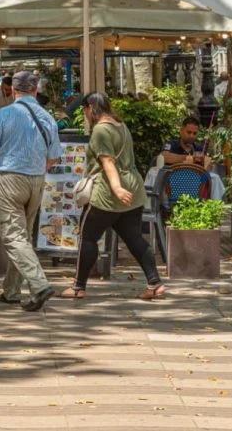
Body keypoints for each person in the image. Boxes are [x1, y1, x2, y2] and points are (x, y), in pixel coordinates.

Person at [0, 71, 62, 312]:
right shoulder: (47, 117)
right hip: (37, 180)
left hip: (10, 178)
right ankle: (11, 290)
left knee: (13, 236)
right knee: (23, 235)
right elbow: (53, 158)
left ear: (13, 90)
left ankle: (40, 284)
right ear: (35, 90)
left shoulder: (4, 115)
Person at [62, 93, 166, 300]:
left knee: (88, 237)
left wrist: (116, 188)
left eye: (85, 110)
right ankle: (154, 283)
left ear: (91, 107)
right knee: (134, 237)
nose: (85, 115)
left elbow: (108, 161)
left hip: (107, 192)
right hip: (133, 188)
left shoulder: (100, 130)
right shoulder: (121, 125)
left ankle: (77, 287)